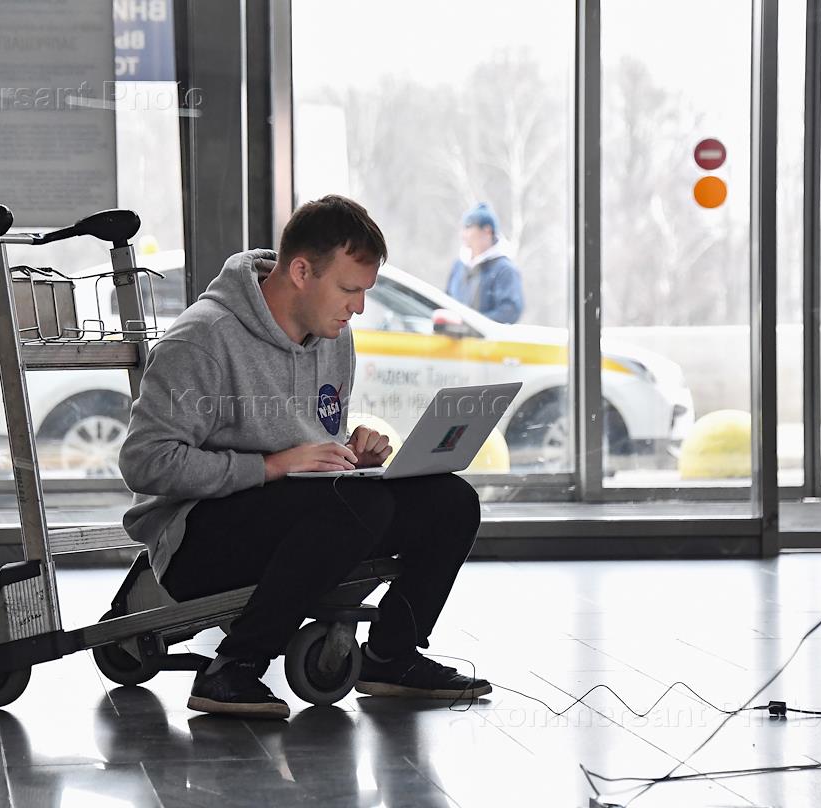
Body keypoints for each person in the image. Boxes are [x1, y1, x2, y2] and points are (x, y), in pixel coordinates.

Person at [119, 195, 491, 719]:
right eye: (349, 290)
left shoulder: (333, 337)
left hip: (298, 514)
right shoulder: (202, 340)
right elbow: (145, 462)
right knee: (356, 508)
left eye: (364, 292)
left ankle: (391, 655)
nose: (358, 307)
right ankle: (234, 667)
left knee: (450, 501)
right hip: (192, 542)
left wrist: (351, 455)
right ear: (300, 272)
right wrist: (272, 465)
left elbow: (313, 440)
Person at [445, 201, 524, 324]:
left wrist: (470, 324)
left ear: (487, 231)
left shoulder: (504, 270)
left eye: (468, 227)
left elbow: (509, 311)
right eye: (463, 228)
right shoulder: (459, 266)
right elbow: (446, 301)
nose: (463, 234)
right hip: (451, 335)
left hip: (483, 336)